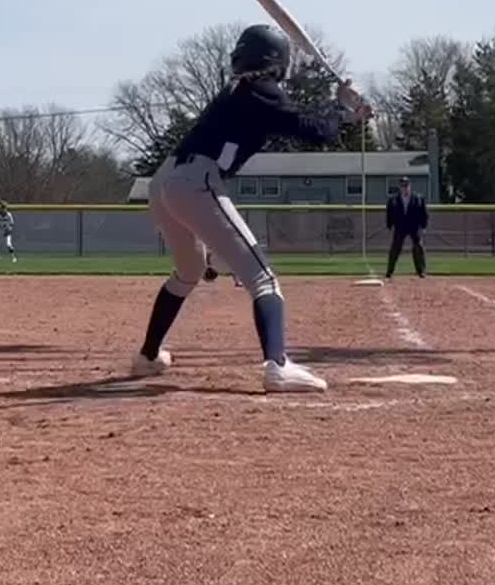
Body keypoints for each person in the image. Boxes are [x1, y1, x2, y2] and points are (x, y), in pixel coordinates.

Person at [131, 23, 370, 393]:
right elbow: (314, 130)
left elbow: (298, 117)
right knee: (264, 279)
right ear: (278, 62)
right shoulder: (262, 92)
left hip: (164, 182)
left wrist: (342, 110)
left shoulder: (242, 90)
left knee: (189, 271)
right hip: (197, 181)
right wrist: (342, 106)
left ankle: (147, 356)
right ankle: (277, 365)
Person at [384, 176, 429, 279]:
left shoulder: (418, 198)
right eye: (403, 186)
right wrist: (389, 225)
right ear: (400, 187)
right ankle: (389, 272)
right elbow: (389, 214)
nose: (405, 187)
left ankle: (421, 271)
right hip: (400, 227)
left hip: (414, 226)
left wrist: (424, 226)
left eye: (406, 185)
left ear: (410, 186)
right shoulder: (393, 200)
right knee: (395, 249)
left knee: (418, 248)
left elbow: (424, 213)